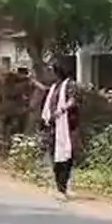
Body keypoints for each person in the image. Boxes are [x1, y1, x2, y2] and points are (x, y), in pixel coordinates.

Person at [41, 58, 80, 200]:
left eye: (54, 70)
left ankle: (64, 186)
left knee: (67, 156)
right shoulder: (54, 87)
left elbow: (72, 100)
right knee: (56, 157)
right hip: (54, 127)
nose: (52, 73)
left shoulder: (70, 85)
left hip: (67, 127)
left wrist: (62, 110)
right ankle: (60, 188)